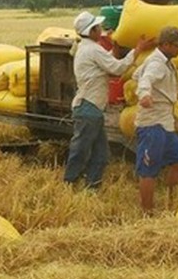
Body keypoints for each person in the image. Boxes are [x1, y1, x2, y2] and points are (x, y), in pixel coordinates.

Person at [63, 11, 152, 190]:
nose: (101, 30)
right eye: (98, 27)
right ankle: (69, 183)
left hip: (92, 108)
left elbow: (104, 62)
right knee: (81, 149)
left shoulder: (86, 47)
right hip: (89, 107)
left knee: (101, 154)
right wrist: (138, 50)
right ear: (91, 31)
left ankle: (91, 188)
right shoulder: (92, 49)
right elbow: (117, 69)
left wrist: (115, 51)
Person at [133, 26, 178, 214]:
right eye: (177, 46)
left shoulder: (164, 61)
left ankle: (171, 200)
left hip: (165, 122)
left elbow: (136, 74)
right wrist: (145, 95)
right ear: (166, 44)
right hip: (152, 124)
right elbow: (145, 80)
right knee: (149, 169)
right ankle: (147, 211)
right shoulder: (157, 64)